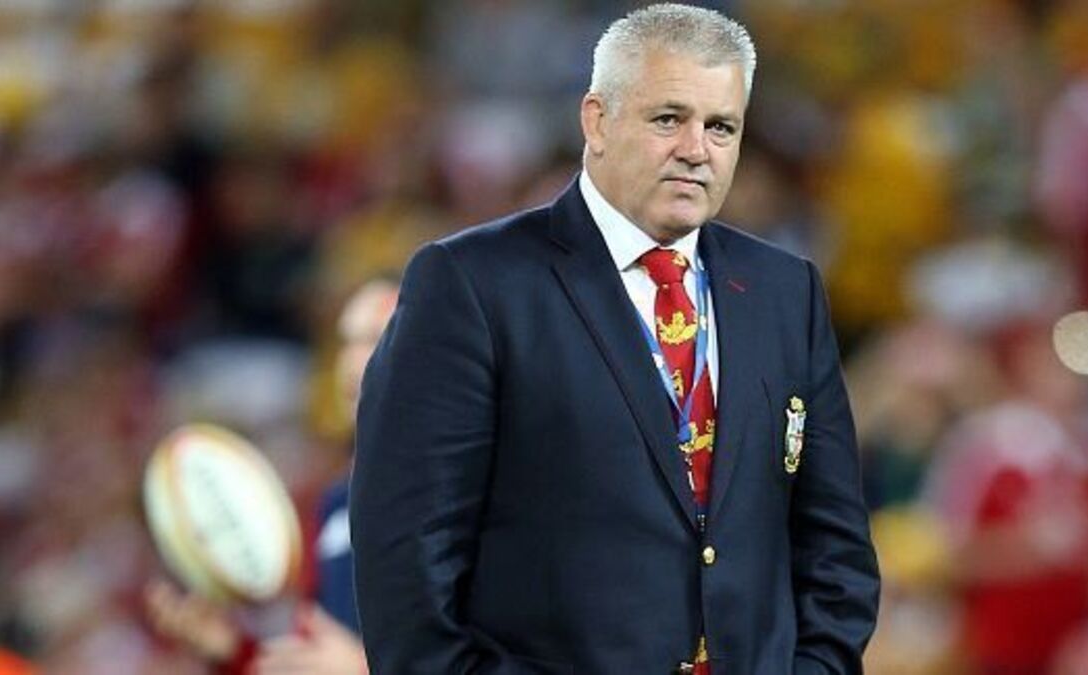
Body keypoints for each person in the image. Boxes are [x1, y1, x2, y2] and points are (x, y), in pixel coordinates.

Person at [351, 5, 879, 674]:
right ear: (597, 120)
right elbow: (407, 568)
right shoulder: (472, 284)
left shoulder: (785, 290)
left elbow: (836, 550)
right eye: (669, 119)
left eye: (721, 126)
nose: (697, 149)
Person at [145, 277, 399, 675]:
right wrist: (233, 651)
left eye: (376, 338)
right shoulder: (336, 505)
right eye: (346, 341)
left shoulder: (481, 499)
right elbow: (313, 662)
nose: (352, 360)